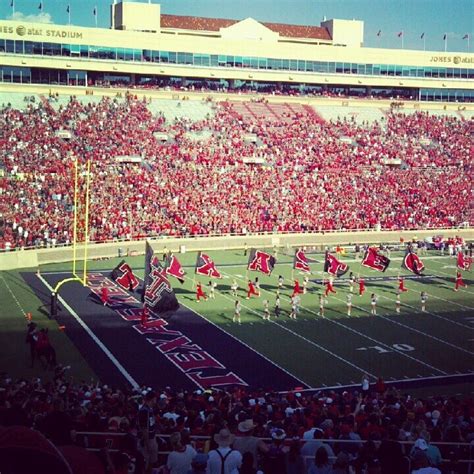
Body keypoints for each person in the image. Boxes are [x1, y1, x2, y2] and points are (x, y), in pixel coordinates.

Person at [138, 391, 158, 471]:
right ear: (152, 399)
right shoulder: (144, 411)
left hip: (151, 438)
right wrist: (147, 443)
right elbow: (144, 429)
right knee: (147, 463)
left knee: (151, 462)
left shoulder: (149, 409)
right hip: (148, 440)